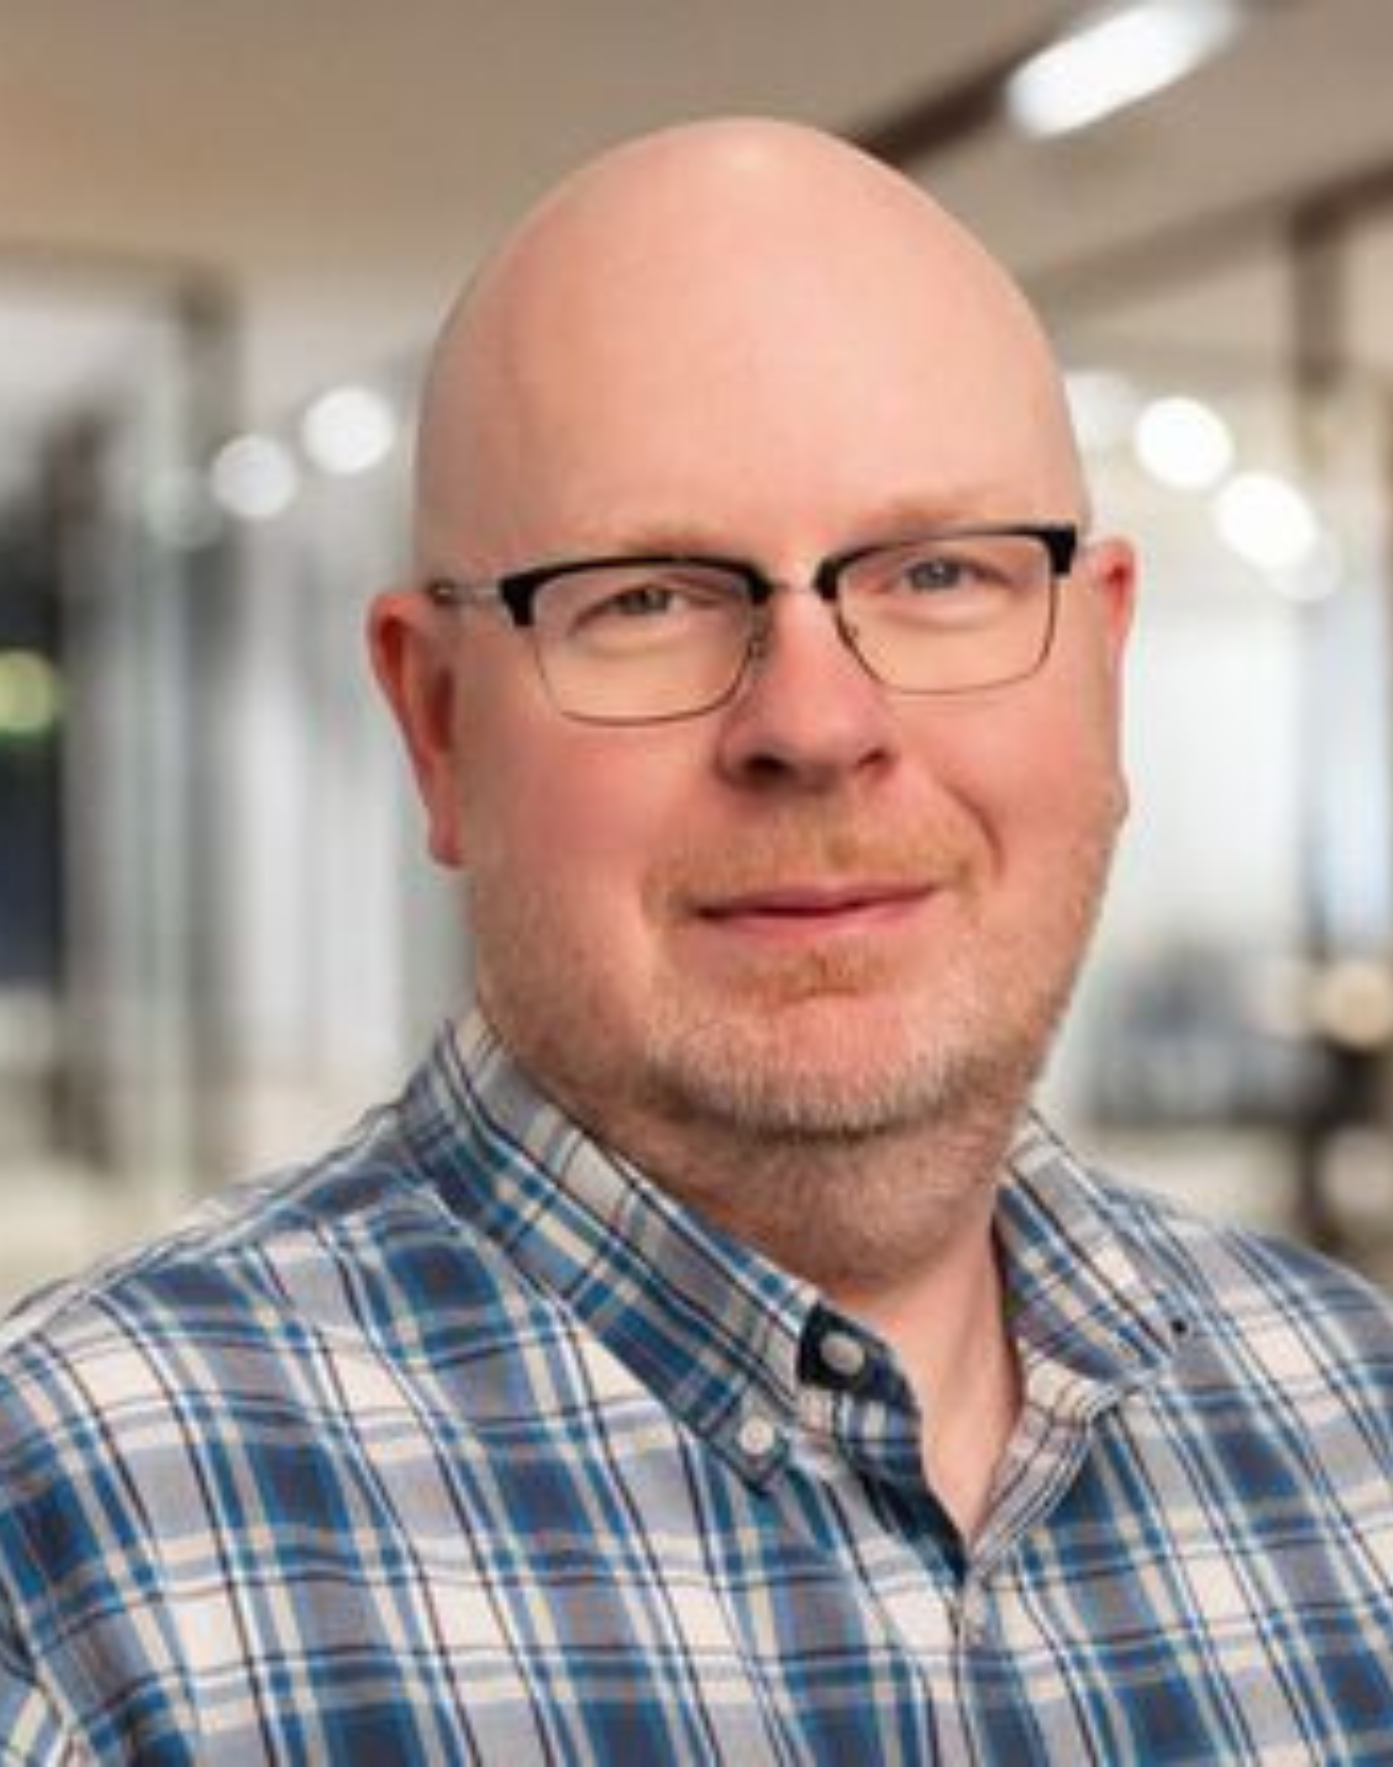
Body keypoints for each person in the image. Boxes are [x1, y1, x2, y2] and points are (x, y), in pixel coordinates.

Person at [3, 117, 1392, 1765]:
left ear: (1102, 657)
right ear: (437, 725)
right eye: (649, 595)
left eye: (941, 569)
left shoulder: (1358, 1421)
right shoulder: (73, 1559)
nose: (816, 720)